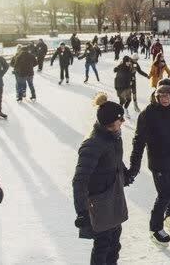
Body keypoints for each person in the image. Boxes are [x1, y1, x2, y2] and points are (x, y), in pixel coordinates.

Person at [128, 80, 170, 246]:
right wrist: (134, 167)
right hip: (159, 160)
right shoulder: (148, 113)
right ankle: (155, 228)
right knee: (165, 194)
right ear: (156, 95)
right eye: (161, 95)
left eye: (168, 94)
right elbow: (138, 142)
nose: (165, 98)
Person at [73, 95, 131, 264]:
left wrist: (125, 174)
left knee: (114, 244)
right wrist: (82, 212)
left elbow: (116, 160)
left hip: (113, 197)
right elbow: (79, 180)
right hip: (99, 203)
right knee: (103, 246)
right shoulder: (93, 144)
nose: (123, 122)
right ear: (110, 123)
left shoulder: (113, 136)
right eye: (120, 119)